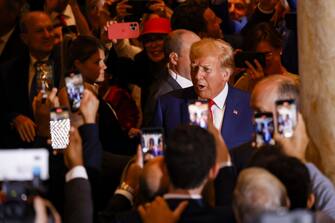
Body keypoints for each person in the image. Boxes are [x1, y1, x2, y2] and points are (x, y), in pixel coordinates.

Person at [153, 38, 253, 149]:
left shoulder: (249, 105)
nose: (197, 76)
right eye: (194, 68)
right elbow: (152, 155)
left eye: (206, 69)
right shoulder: (167, 104)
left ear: (225, 74)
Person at [0, 11, 61, 148]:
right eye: (40, 31)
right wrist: (14, 118)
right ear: (24, 38)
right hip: (19, 151)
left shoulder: (66, 66)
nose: (47, 35)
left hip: (59, 151)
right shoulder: (8, 70)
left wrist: (56, 143)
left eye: (50, 29)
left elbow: (75, 114)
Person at [142, 29, 201, 126]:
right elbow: (152, 137)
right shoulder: (161, 95)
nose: (201, 59)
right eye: (195, 54)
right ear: (174, 58)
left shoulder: (202, 85)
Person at [234, 22, 298, 92]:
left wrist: (260, 85)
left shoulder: (294, 83)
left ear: (280, 49)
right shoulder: (247, 81)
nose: (264, 59)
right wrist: (231, 75)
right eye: (259, 56)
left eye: (267, 54)